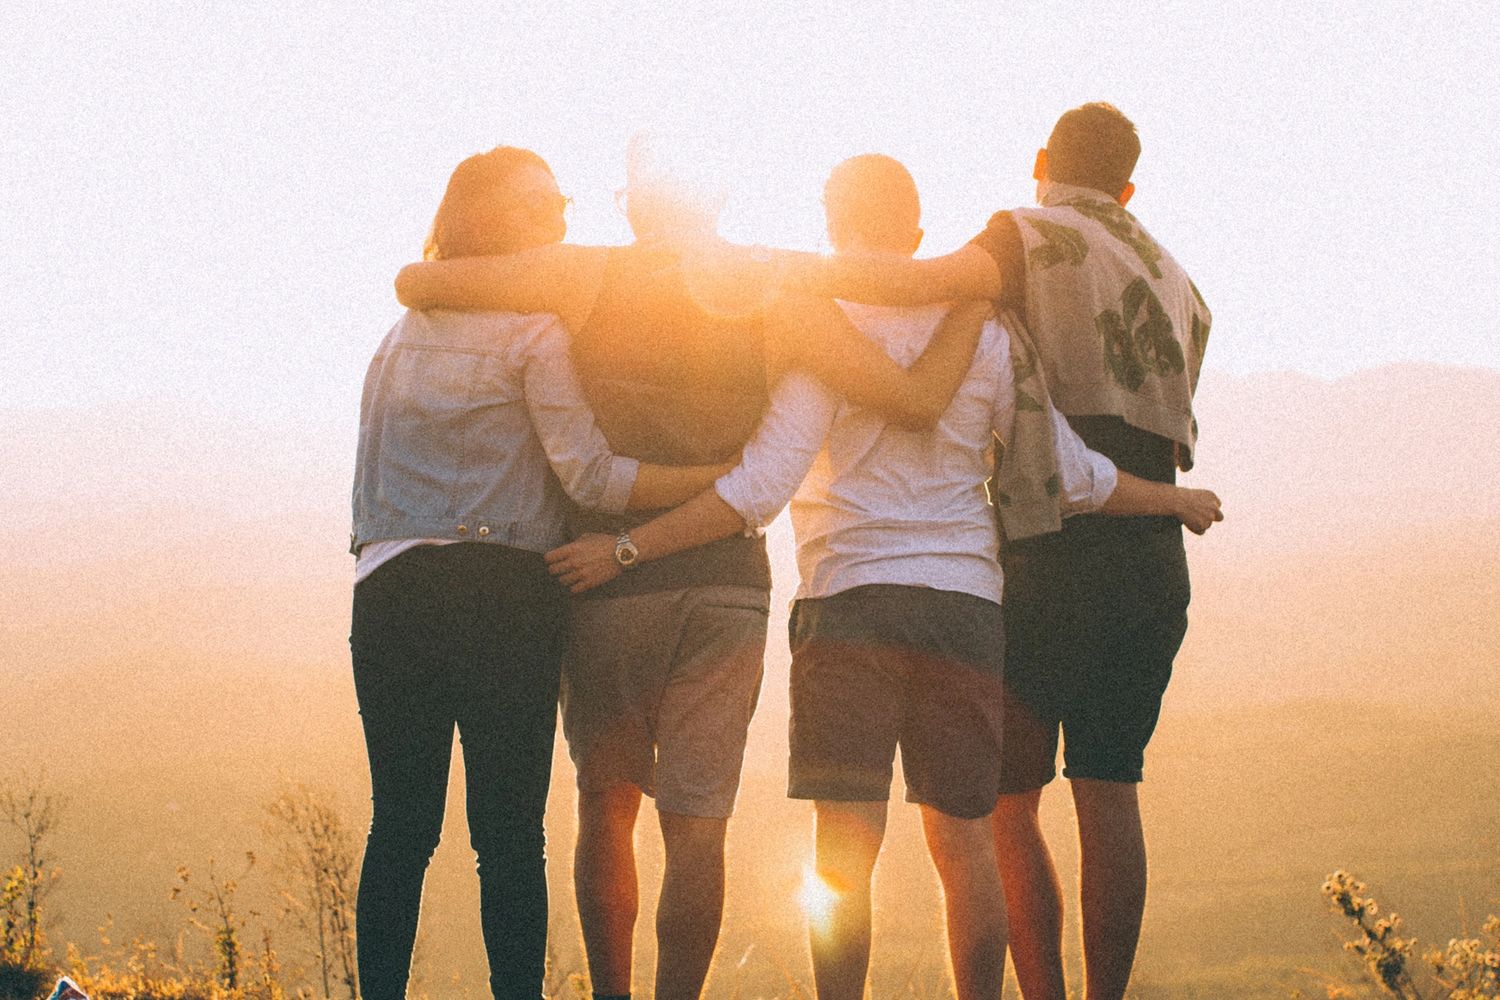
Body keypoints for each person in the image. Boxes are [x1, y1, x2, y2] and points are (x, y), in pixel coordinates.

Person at [544, 153, 1221, 1000]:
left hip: (847, 603)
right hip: (965, 607)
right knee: (964, 843)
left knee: (844, 850)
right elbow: (1070, 472)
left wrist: (630, 546)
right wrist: (1173, 497)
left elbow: (759, 488)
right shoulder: (988, 331)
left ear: (832, 227)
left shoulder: (822, 327)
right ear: (918, 229)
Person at [393, 135, 986, 1000]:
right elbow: (911, 397)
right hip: (725, 589)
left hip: (605, 581)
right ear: (717, 197)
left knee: (607, 806)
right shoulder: (776, 286)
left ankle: (613, 995)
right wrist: (977, 296)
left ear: (636, 201)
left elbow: (421, 282)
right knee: (698, 826)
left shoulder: (583, 273)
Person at [775, 104, 1213, 1000]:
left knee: (1005, 806)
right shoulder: (1178, 279)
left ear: (1043, 159)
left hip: (1047, 544)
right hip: (1148, 548)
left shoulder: (1025, 234)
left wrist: (766, 272)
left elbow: (921, 284)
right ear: (1128, 186)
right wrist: (1172, 500)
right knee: (1111, 786)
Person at [348, 146, 733, 1000]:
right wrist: (717, 482)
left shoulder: (396, 337)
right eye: (537, 204)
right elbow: (592, 478)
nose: (559, 215)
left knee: (400, 829)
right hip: (501, 595)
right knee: (509, 835)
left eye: (560, 197)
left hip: (388, 592)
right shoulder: (534, 332)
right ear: (485, 218)